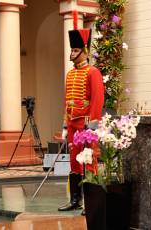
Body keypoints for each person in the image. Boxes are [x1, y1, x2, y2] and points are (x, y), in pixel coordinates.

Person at [58, 11, 104, 213]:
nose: (73, 53)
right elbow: (67, 100)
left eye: (76, 50)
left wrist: (92, 123)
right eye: (72, 50)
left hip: (86, 123)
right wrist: (64, 124)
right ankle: (75, 200)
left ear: (85, 51)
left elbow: (97, 99)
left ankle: (90, 202)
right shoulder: (70, 74)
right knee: (74, 163)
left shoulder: (93, 72)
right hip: (73, 123)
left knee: (89, 161)